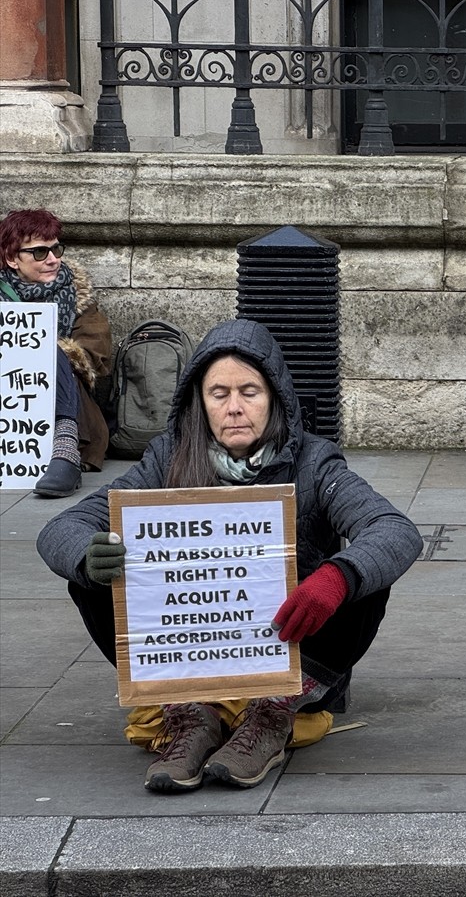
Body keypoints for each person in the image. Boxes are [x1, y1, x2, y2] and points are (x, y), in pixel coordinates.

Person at [37, 318, 423, 793]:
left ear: (275, 398)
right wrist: (85, 556)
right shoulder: (167, 457)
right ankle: (188, 715)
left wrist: (333, 579)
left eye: (250, 392)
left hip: (289, 648)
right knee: (93, 573)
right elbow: (62, 528)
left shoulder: (314, 462)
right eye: (219, 394)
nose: (235, 408)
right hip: (193, 654)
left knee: (365, 574)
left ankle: (274, 714)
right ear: (200, 401)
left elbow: (395, 530)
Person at [1, 208, 112, 496]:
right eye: (39, 252)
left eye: (55, 249)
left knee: (52, 349)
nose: (52, 259)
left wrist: (42, 350)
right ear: (13, 258)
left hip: (68, 395)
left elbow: (95, 353)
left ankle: (65, 446)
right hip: (8, 397)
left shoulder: (77, 293)